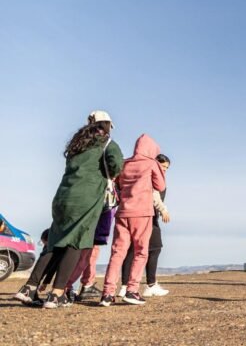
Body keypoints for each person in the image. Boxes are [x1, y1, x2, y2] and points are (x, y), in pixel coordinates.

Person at [15, 114, 124, 309]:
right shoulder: (107, 143)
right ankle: (57, 295)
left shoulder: (77, 144)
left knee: (55, 242)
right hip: (86, 199)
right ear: (107, 126)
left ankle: (29, 288)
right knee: (77, 242)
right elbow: (117, 165)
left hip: (62, 198)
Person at [100, 134, 166, 307]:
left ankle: (107, 293)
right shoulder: (151, 163)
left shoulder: (125, 163)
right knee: (141, 251)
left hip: (122, 213)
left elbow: (118, 184)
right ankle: (132, 291)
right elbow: (161, 186)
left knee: (117, 253)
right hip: (142, 213)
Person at [118, 154, 172, 298]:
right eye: (163, 166)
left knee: (132, 249)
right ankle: (151, 285)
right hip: (147, 216)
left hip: (133, 214)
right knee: (154, 248)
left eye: (167, 168)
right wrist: (163, 210)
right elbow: (154, 196)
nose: (164, 170)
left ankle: (125, 286)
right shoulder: (152, 176)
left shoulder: (143, 174)